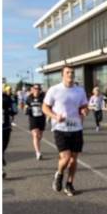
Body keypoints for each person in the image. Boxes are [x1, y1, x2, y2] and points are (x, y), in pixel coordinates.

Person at [42, 65, 89, 197]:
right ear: (62, 75)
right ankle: (59, 173)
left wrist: (85, 110)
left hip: (76, 127)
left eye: (72, 72)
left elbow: (84, 107)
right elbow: (45, 107)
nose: (70, 74)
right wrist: (55, 116)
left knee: (73, 160)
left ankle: (69, 184)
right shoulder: (54, 90)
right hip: (60, 127)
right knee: (66, 158)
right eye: (67, 72)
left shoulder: (80, 91)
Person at [25, 84, 46, 160]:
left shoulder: (43, 97)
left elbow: (47, 106)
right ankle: (38, 153)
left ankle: (37, 145)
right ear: (32, 89)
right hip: (33, 118)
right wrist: (26, 110)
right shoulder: (29, 98)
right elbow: (26, 106)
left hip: (41, 118)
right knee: (35, 135)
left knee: (39, 136)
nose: (37, 90)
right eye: (35, 88)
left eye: (38, 88)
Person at [2, 88, 17, 178]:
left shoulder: (7, 98)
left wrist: (10, 111)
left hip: (5, 127)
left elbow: (14, 110)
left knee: (3, 147)